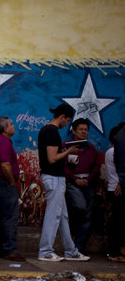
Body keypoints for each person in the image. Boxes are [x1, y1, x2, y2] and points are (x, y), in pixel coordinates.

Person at [37, 103, 89, 262]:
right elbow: (52, 158)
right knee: (54, 215)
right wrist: (69, 151)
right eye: (67, 121)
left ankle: (71, 250)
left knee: (62, 216)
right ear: (62, 117)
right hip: (53, 177)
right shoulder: (51, 132)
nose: (67, 124)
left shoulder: (46, 130)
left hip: (55, 178)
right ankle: (45, 250)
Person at [0, 116, 24, 261]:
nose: (14, 126)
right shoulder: (3, 142)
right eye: (11, 124)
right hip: (4, 184)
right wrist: (12, 183)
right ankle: (10, 249)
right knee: (9, 217)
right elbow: (5, 165)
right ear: (5, 128)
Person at [64, 118, 100, 253]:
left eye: (86, 130)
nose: (84, 132)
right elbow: (64, 166)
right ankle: (72, 235)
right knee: (79, 207)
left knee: (87, 215)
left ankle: (79, 246)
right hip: (72, 183)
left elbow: (96, 166)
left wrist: (88, 179)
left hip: (88, 183)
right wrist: (74, 179)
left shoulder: (91, 148)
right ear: (74, 131)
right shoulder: (67, 146)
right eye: (81, 129)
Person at [105, 123, 125, 262]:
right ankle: (115, 251)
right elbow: (120, 168)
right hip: (117, 189)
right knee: (118, 223)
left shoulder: (110, 151)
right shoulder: (112, 152)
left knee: (117, 222)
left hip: (115, 188)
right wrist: (121, 183)